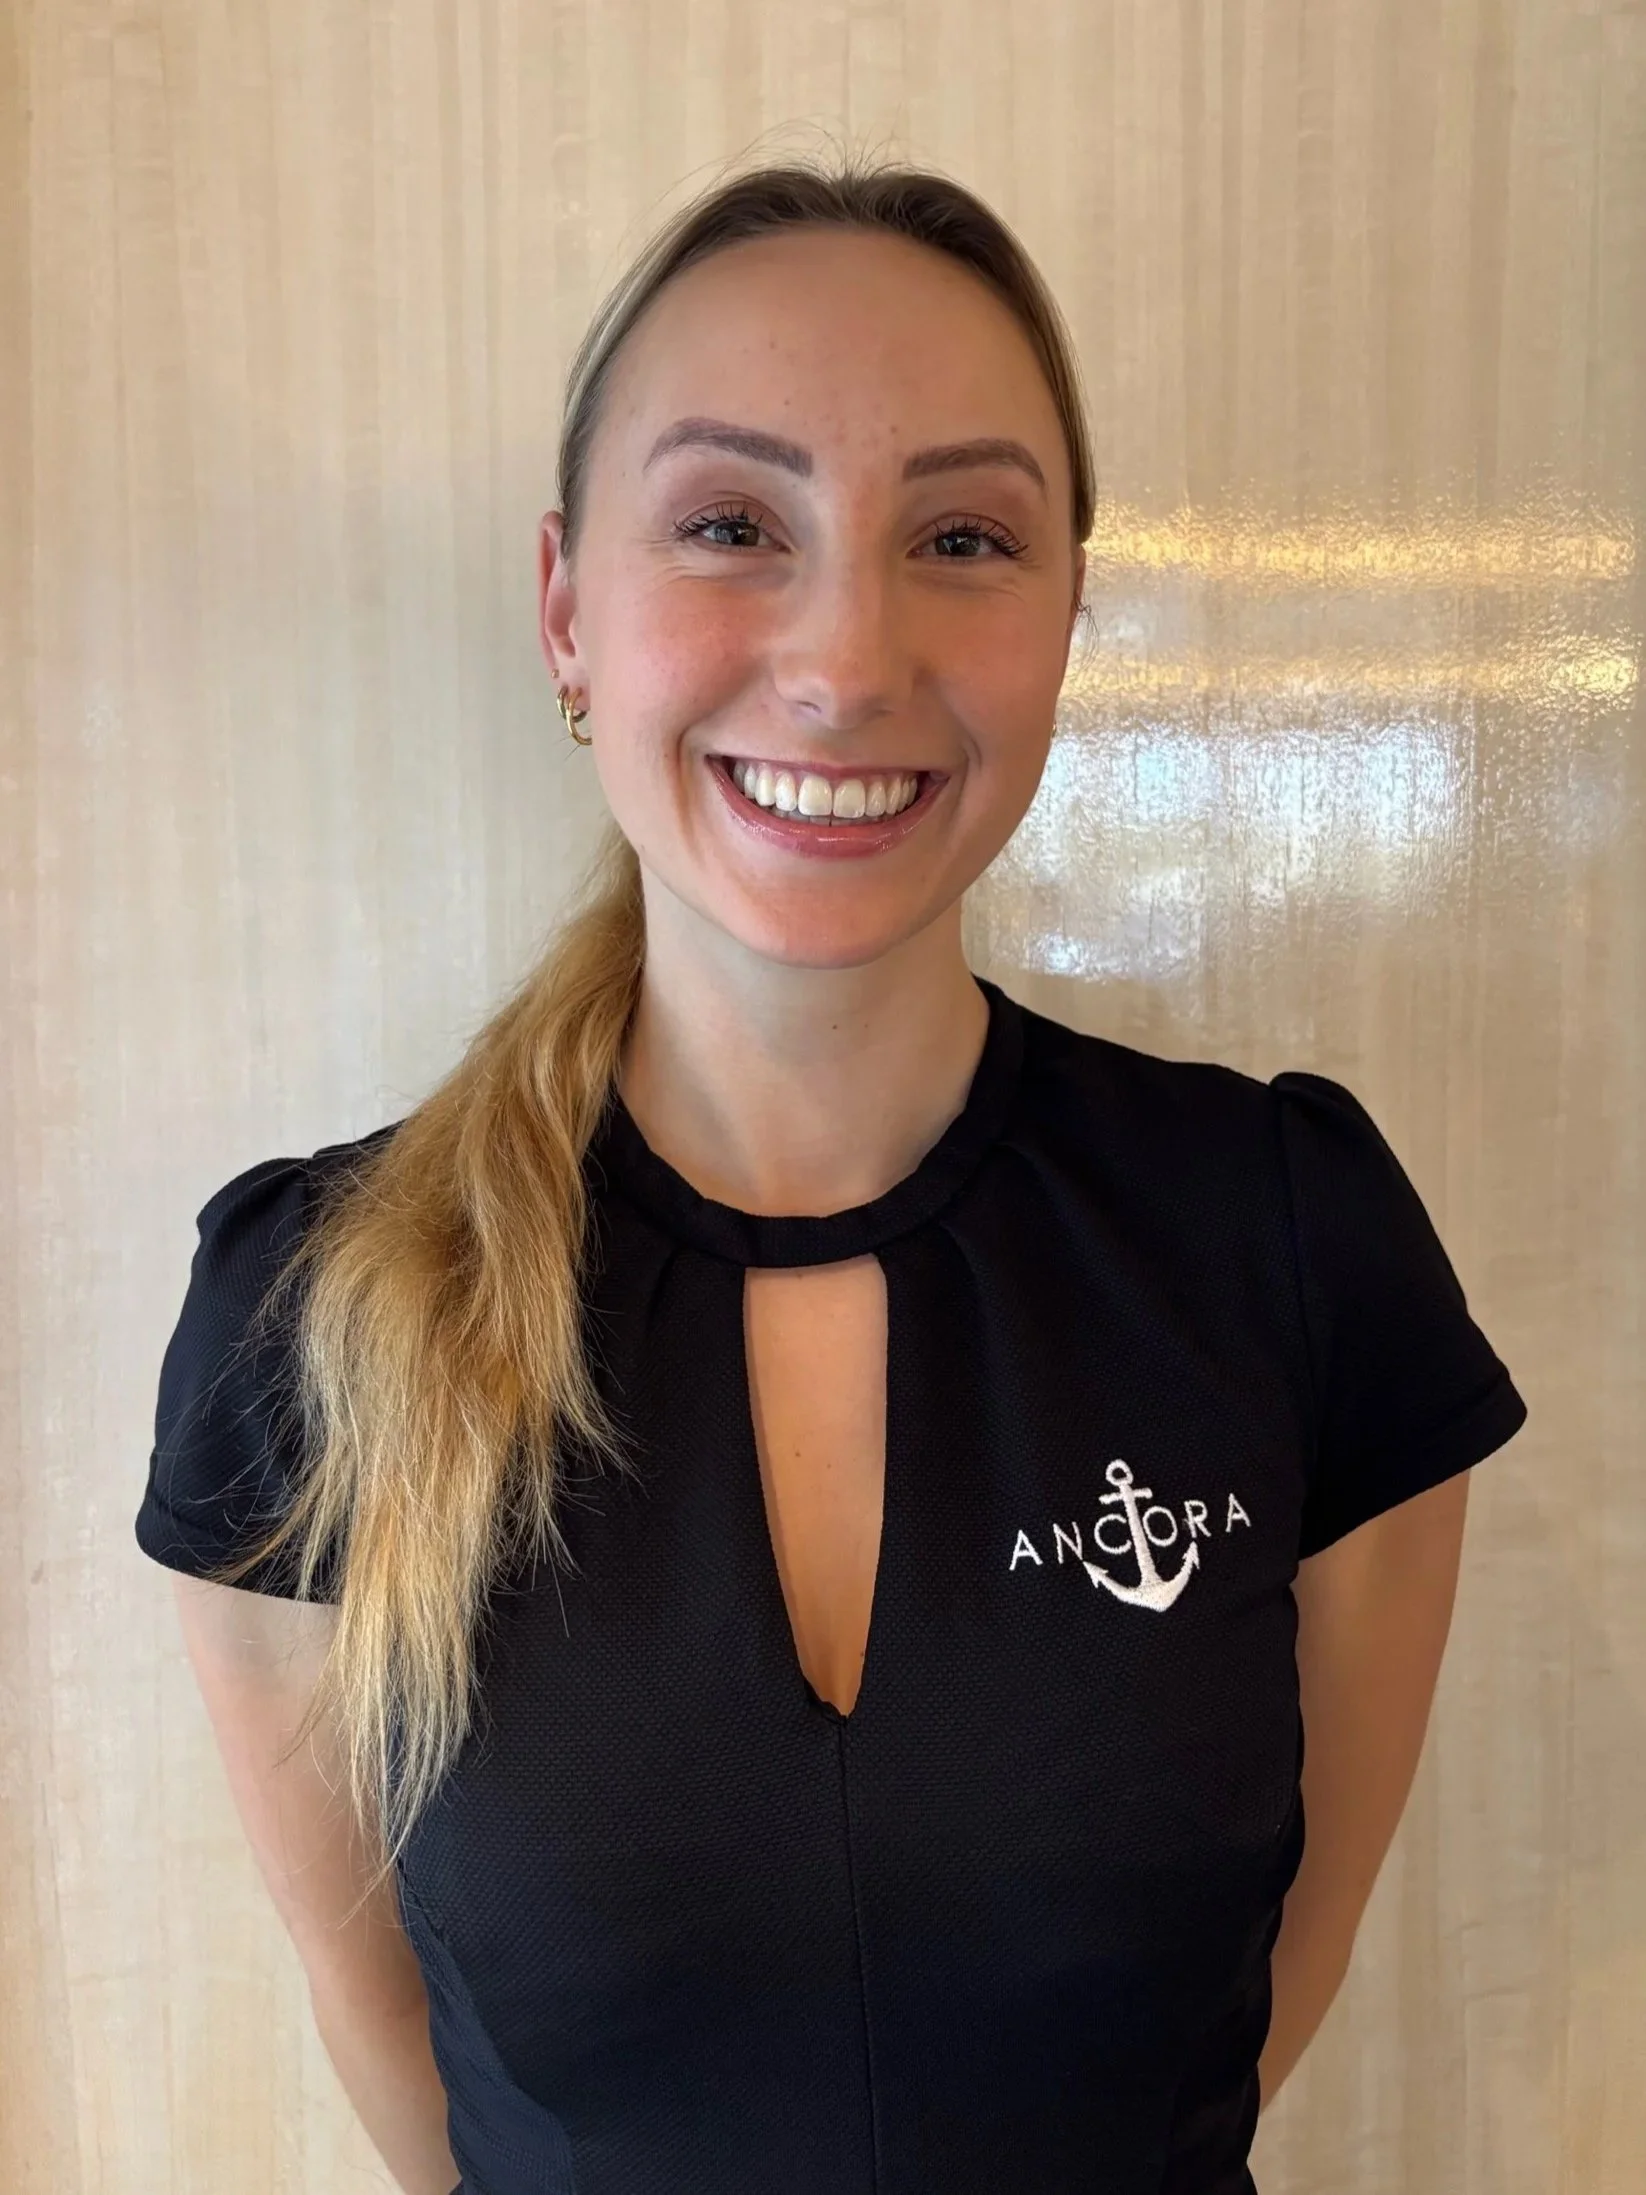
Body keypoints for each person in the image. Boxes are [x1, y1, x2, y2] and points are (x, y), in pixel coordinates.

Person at [134, 152, 1529, 2195]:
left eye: (961, 535)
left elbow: (1243, 2015)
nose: (847, 652)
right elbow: (414, 2072)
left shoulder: (1289, 1245)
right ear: (565, 610)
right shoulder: (311, 1320)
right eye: (727, 523)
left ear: (1066, 613)